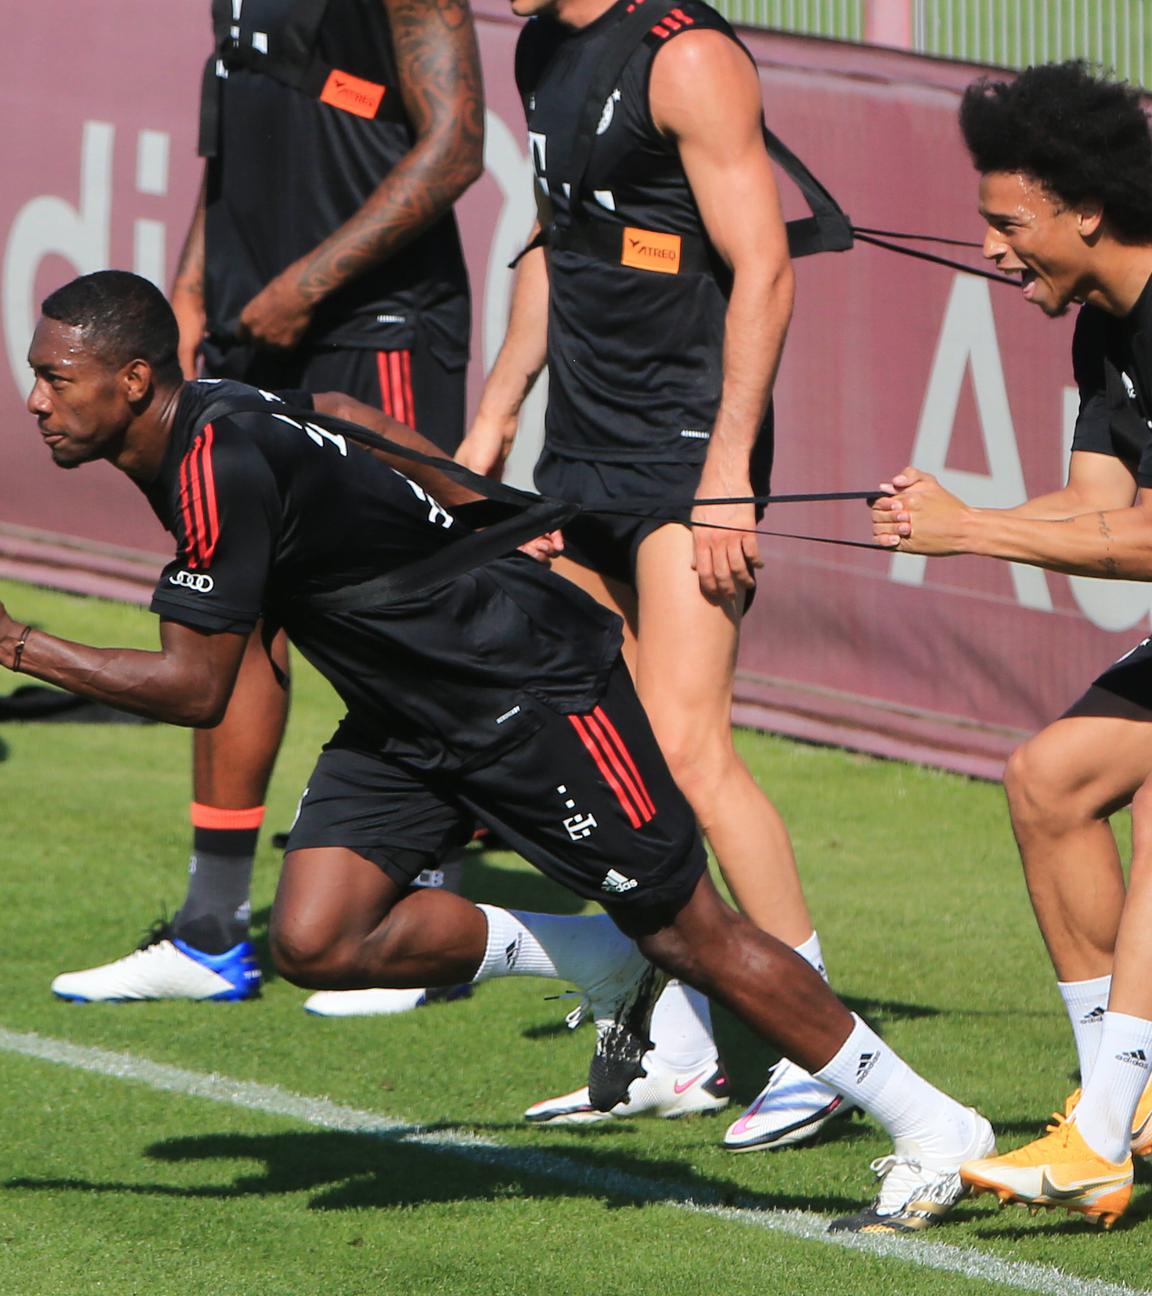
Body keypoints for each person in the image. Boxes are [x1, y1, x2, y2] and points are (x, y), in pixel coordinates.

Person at [14, 269, 993, 1232]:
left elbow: (195, 687)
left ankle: (936, 1124)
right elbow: (353, 410)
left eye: (55, 378)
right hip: (403, 721)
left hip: (534, 690)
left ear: (135, 380)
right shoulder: (213, 413)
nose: (35, 400)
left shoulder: (213, 460)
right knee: (316, 938)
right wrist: (480, 503)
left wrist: (17, 644)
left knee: (695, 934)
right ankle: (598, 950)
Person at [454, 0, 850, 1147]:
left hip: (685, 452)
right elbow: (556, 243)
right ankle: (675, 1049)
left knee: (687, 744)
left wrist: (727, 472)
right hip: (580, 450)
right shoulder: (539, 45)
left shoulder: (690, 60)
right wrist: (492, 425)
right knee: (609, 747)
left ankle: (822, 1045)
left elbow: (766, 267)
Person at [50, 0, 485, 1016]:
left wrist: (306, 281)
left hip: (375, 328)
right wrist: (196, 284)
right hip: (253, 325)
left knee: (409, 614)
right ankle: (210, 931)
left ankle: (429, 910)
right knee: (231, 618)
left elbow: (457, 148)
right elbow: (235, 136)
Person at [870, 61, 1152, 1229]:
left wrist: (971, 528)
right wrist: (956, 520)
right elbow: (1095, 516)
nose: (992, 247)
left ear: (1087, 208)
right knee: (1048, 781)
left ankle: (1101, 1126)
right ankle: (1118, 1104)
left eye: (1009, 222)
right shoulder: (1102, 335)